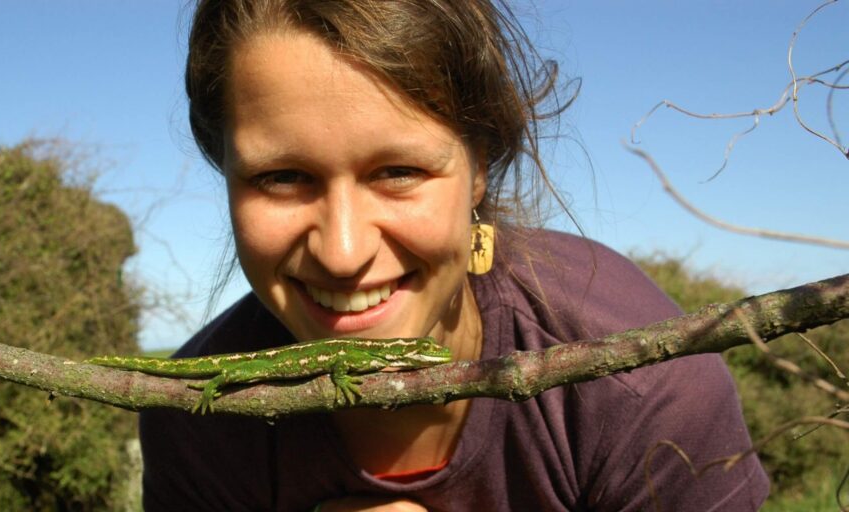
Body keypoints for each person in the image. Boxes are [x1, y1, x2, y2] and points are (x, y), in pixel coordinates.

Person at [140, 1, 770, 510]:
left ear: (478, 167)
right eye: (281, 177)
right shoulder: (195, 416)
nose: (343, 253)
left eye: (398, 170)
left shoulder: (638, 382)